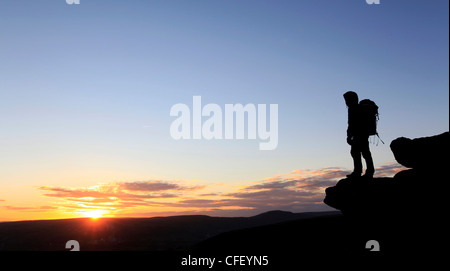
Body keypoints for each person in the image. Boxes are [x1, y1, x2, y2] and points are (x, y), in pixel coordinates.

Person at [343, 91, 375, 178]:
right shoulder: (359, 108)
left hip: (359, 134)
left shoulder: (353, 109)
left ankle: (359, 172)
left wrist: (349, 136)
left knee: (357, 152)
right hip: (363, 134)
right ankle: (368, 171)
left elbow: (351, 124)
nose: (346, 102)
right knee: (363, 152)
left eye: (347, 100)